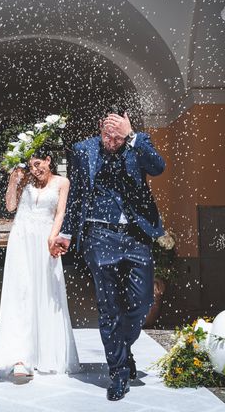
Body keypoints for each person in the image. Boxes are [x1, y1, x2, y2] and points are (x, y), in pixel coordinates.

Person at [52, 109, 165, 401]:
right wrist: (66, 232)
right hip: (99, 235)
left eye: (118, 136)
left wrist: (132, 137)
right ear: (100, 128)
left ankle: (123, 349)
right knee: (109, 306)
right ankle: (117, 371)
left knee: (142, 302)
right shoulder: (83, 150)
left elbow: (158, 167)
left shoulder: (138, 143)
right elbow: (77, 194)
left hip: (137, 235)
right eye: (108, 135)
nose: (112, 141)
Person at [0, 148, 79, 378]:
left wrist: (54, 236)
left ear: (49, 160)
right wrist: (13, 181)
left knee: (47, 293)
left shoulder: (62, 182)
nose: (36, 169)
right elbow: (11, 207)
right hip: (21, 240)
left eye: (39, 163)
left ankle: (48, 354)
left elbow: (60, 213)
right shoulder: (25, 181)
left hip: (45, 241)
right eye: (32, 165)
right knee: (21, 293)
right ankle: (20, 357)